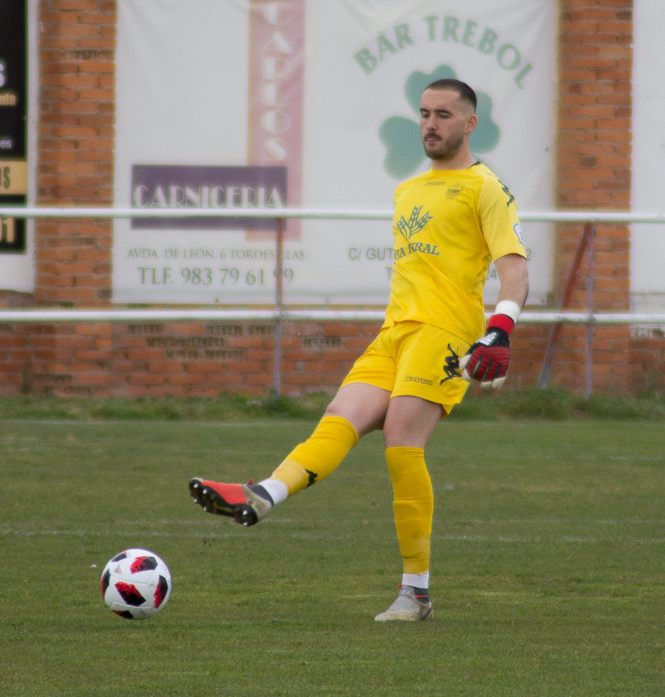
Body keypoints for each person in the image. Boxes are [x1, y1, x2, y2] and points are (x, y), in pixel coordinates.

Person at [189, 78, 529, 622]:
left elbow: (514, 268)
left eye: (443, 114)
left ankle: (415, 592)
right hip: (394, 331)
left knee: (400, 439)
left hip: (442, 333)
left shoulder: (485, 187)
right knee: (337, 420)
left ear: (470, 123)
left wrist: (500, 328)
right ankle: (262, 494)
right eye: (423, 113)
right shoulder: (408, 191)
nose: (430, 124)